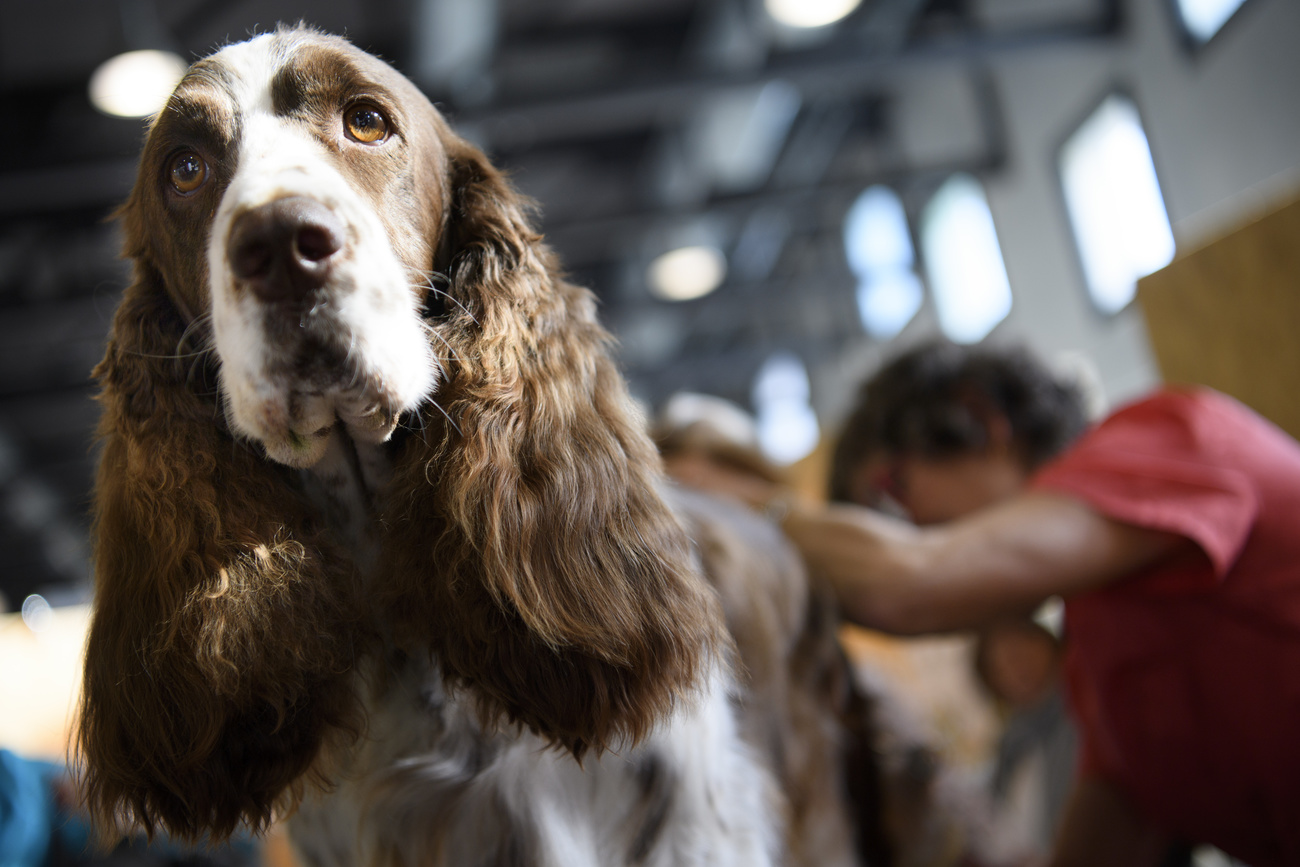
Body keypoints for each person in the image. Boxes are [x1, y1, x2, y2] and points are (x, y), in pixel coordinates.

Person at [671, 341, 1300, 867]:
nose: (901, 529)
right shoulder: (1103, 669)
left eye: (892, 496)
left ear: (981, 419)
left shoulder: (1169, 437)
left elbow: (911, 581)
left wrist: (736, 508)